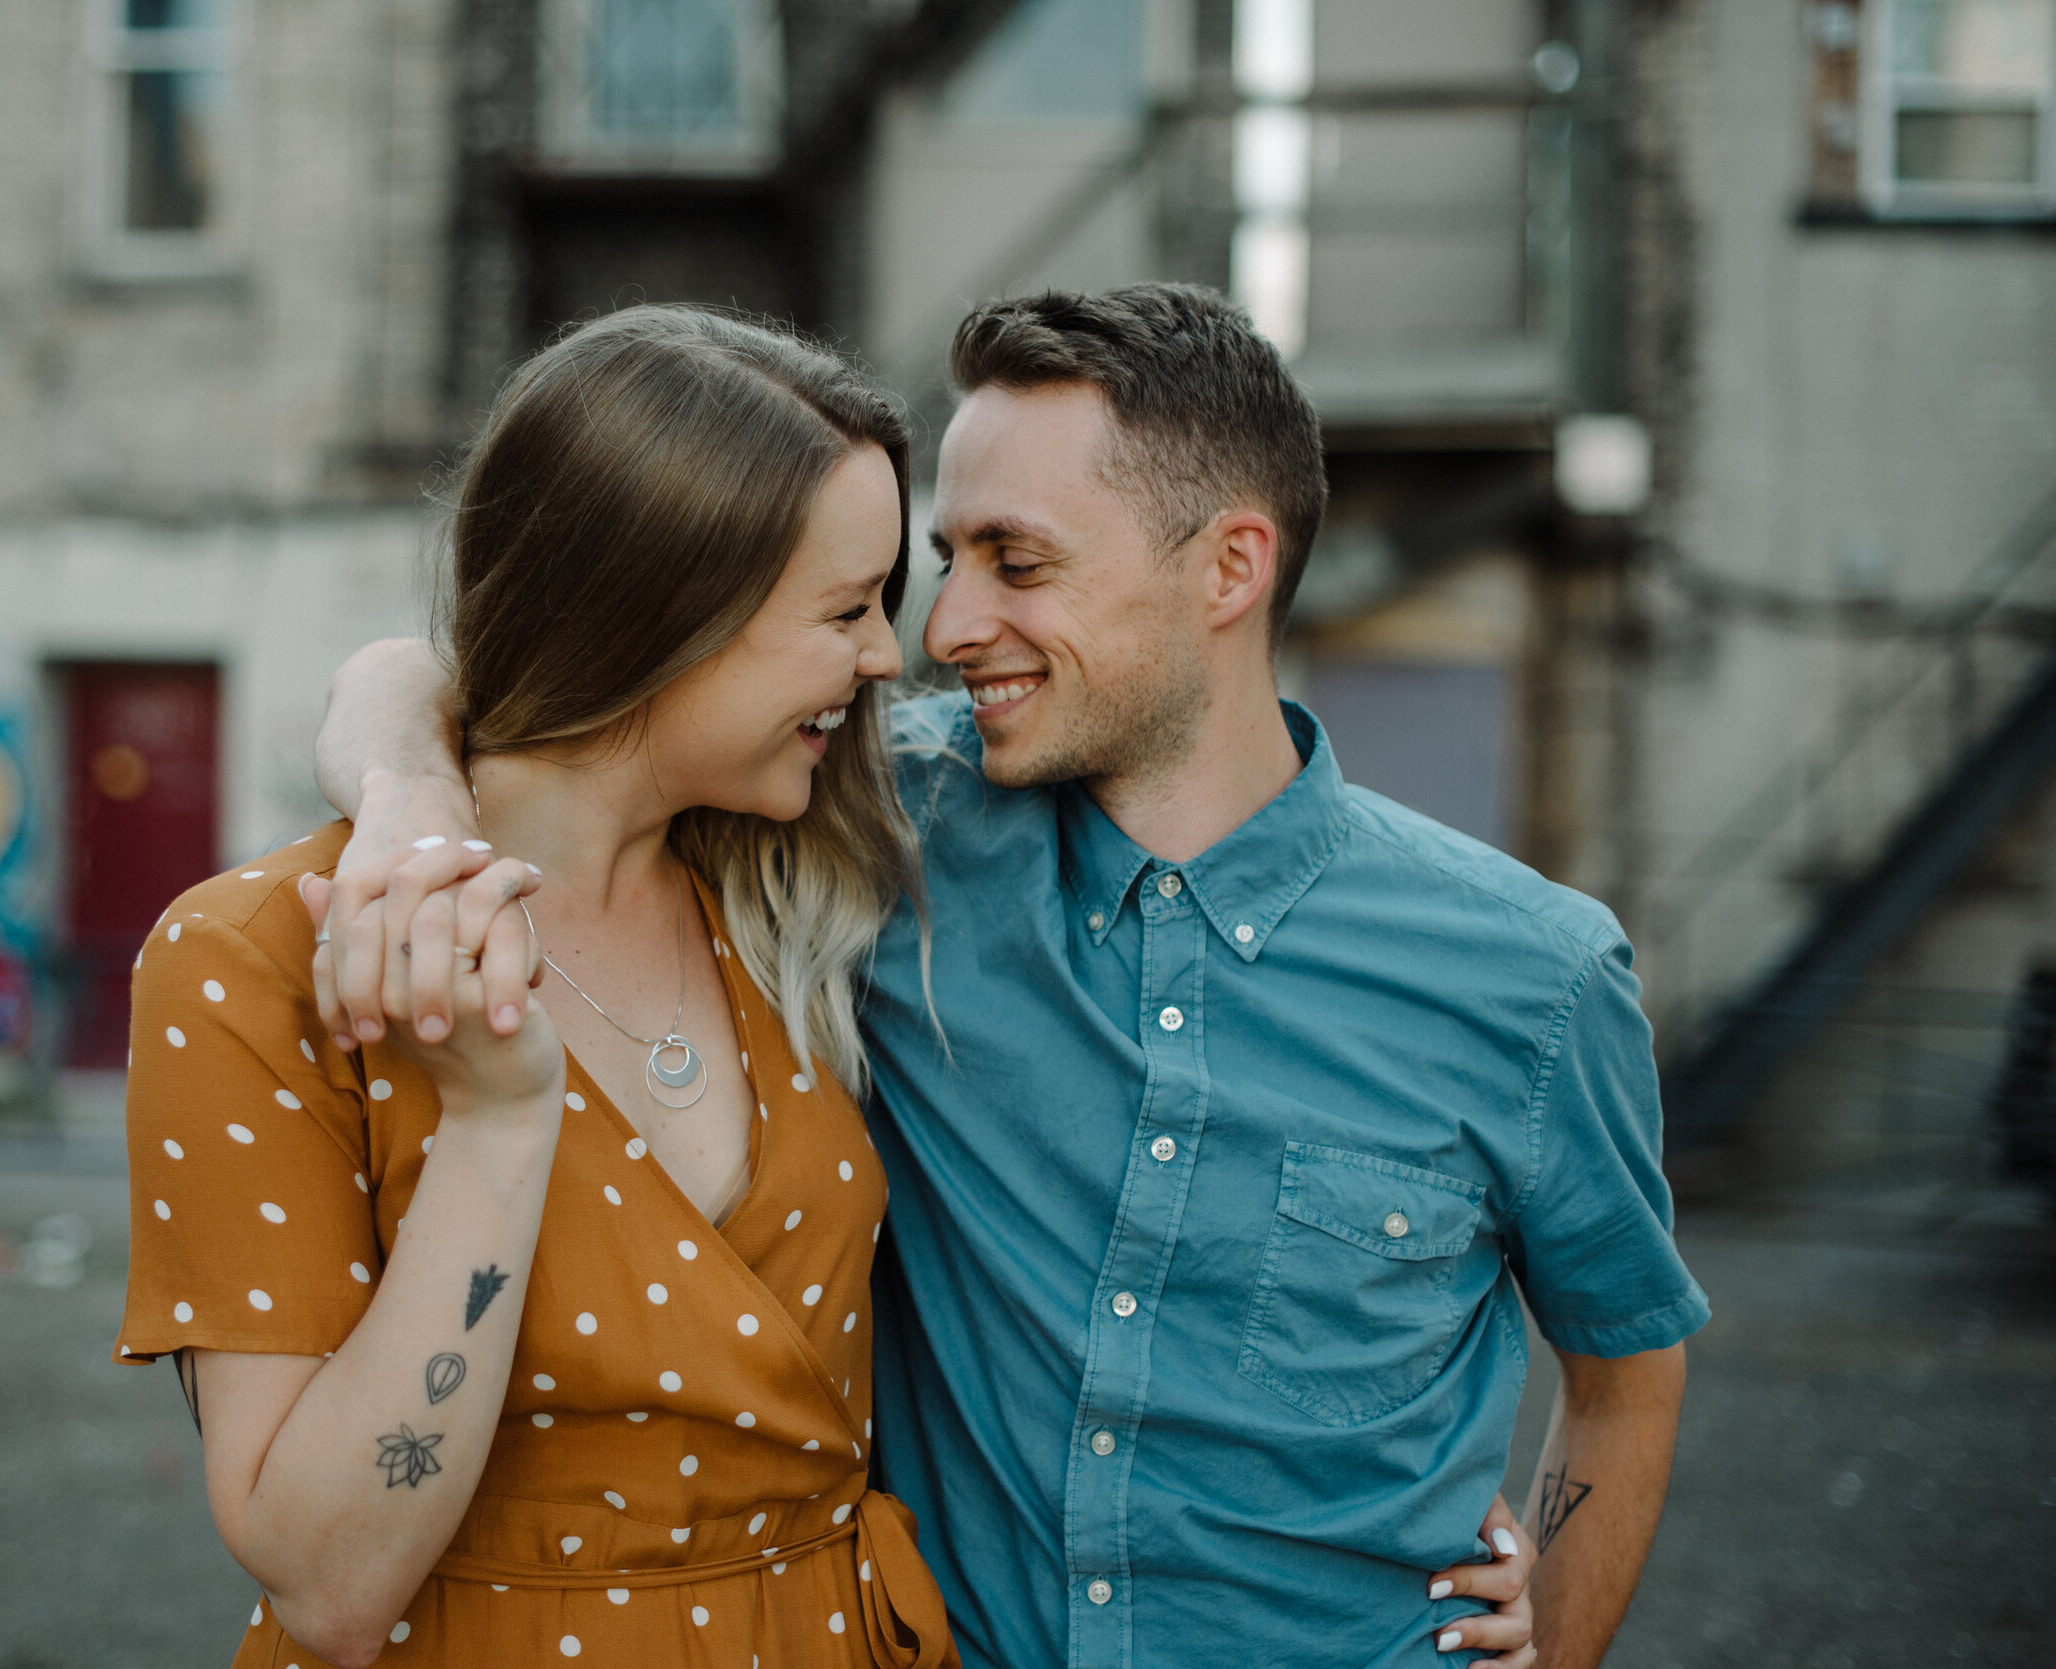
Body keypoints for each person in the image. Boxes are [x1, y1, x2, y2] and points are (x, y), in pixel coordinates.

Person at [312, 286, 1696, 1669]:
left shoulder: (1533, 974)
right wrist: (411, 799)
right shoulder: (874, 826)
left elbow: (1625, 1369)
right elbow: (535, 682)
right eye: (947, 559)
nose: (948, 623)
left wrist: (1554, 1642)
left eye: (1016, 563)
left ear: (1229, 569)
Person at [114, 306, 970, 1668]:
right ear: (661, 619)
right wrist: (500, 1123)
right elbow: (329, 1586)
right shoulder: (256, 960)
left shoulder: (808, 879)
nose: (886, 657)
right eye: (845, 608)